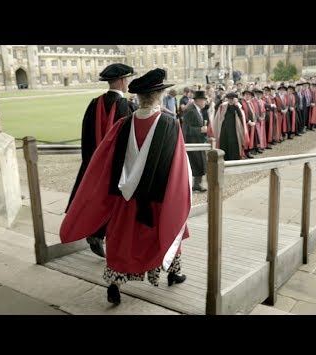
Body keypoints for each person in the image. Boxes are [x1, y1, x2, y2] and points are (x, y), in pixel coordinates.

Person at [60, 68, 191, 305]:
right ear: (159, 95)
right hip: (157, 200)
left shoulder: (123, 124)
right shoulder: (170, 124)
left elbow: (106, 162)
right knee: (168, 233)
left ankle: (115, 284)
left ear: (138, 97)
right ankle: (173, 273)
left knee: (122, 241)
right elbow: (178, 167)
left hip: (125, 198)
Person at [66, 63, 138, 258]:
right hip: (117, 168)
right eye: (127, 79)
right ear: (123, 81)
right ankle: (114, 241)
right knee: (118, 204)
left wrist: (90, 164)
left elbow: (86, 137)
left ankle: (96, 233)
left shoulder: (94, 103)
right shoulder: (127, 106)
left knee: (95, 200)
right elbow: (130, 142)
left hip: (94, 164)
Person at [182, 90, 208, 192]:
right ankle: (192, 186)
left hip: (198, 141)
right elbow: (185, 129)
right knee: (195, 164)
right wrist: (200, 130)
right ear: (197, 101)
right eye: (203, 100)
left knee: (200, 163)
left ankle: (197, 185)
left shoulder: (198, 110)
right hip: (192, 142)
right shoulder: (190, 111)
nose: (205, 102)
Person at [212, 92, 246, 161]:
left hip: (234, 128)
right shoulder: (224, 105)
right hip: (224, 128)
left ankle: (234, 158)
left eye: (232, 99)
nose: (231, 100)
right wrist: (221, 99)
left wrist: (236, 106)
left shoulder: (238, 106)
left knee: (233, 143)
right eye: (229, 98)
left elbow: (240, 116)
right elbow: (216, 107)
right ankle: (225, 157)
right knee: (224, 142)